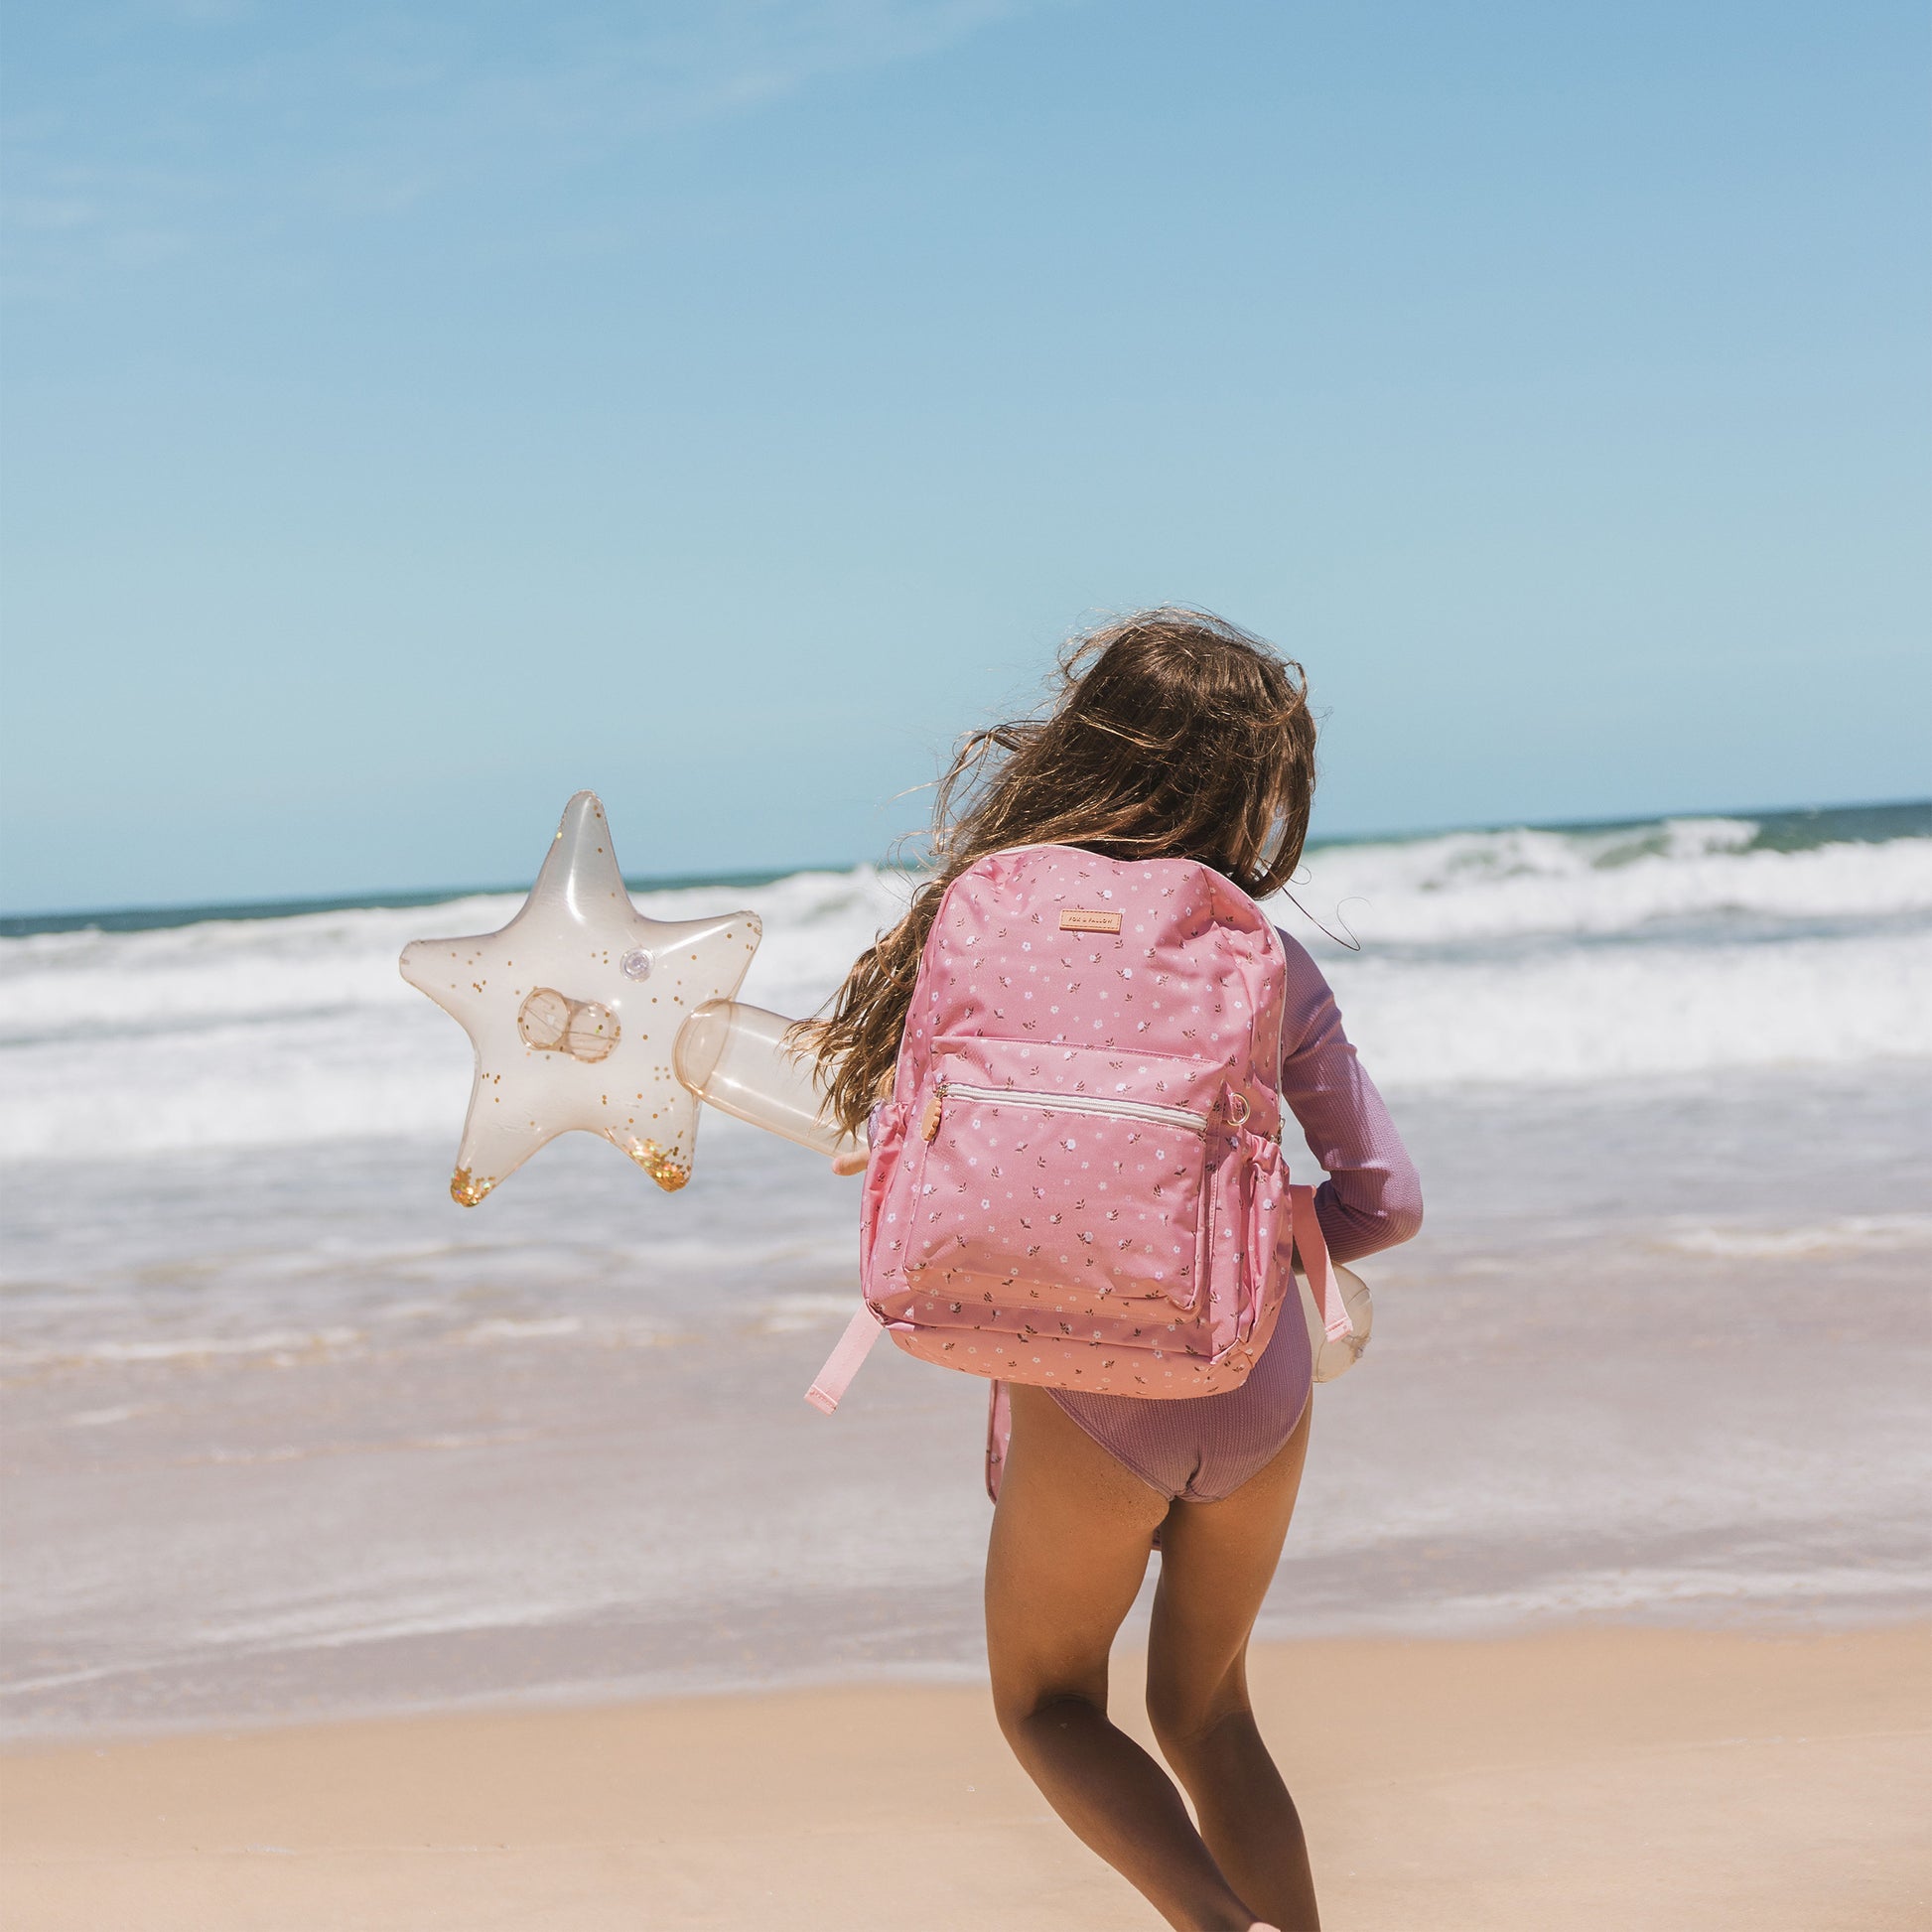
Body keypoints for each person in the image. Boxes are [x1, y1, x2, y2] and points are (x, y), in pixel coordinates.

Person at [808, 610, 1422, 1932]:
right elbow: (1388, 1198)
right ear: (1252, 783)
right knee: (1208, 1711)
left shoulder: (990, 919)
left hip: (1092, 1399)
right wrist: (1261, 1238)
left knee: (1046, 1703)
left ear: (1086, 741)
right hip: (1254, 1379)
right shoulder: (1261, 954)